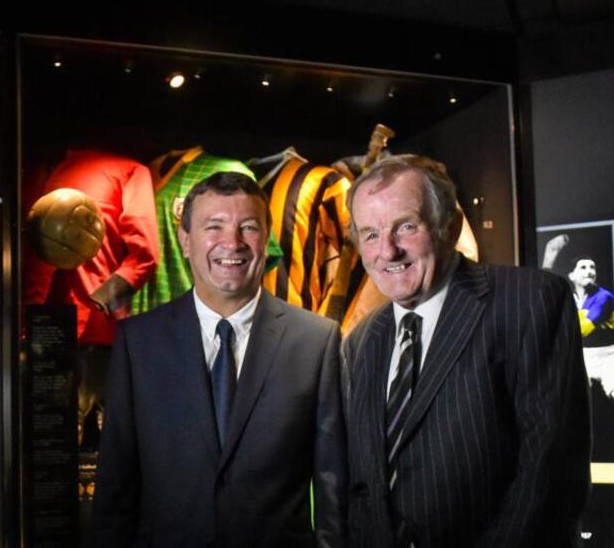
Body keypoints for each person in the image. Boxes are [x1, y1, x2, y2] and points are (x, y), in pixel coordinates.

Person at [343, 155, 591, 548]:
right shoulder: (363, 341)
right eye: (370, 234)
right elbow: (366, 485)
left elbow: (550, 471)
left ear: (451, 226)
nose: (387, 251)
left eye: (406, 227)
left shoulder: (529, 301)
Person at [93, 171, 346, 547]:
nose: (233, 242)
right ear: (185, 240)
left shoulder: (316, 341)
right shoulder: (138, 342)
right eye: (214, 226)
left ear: (266, 240)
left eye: (249, 227)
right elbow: (116, 483)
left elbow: (333, 484)